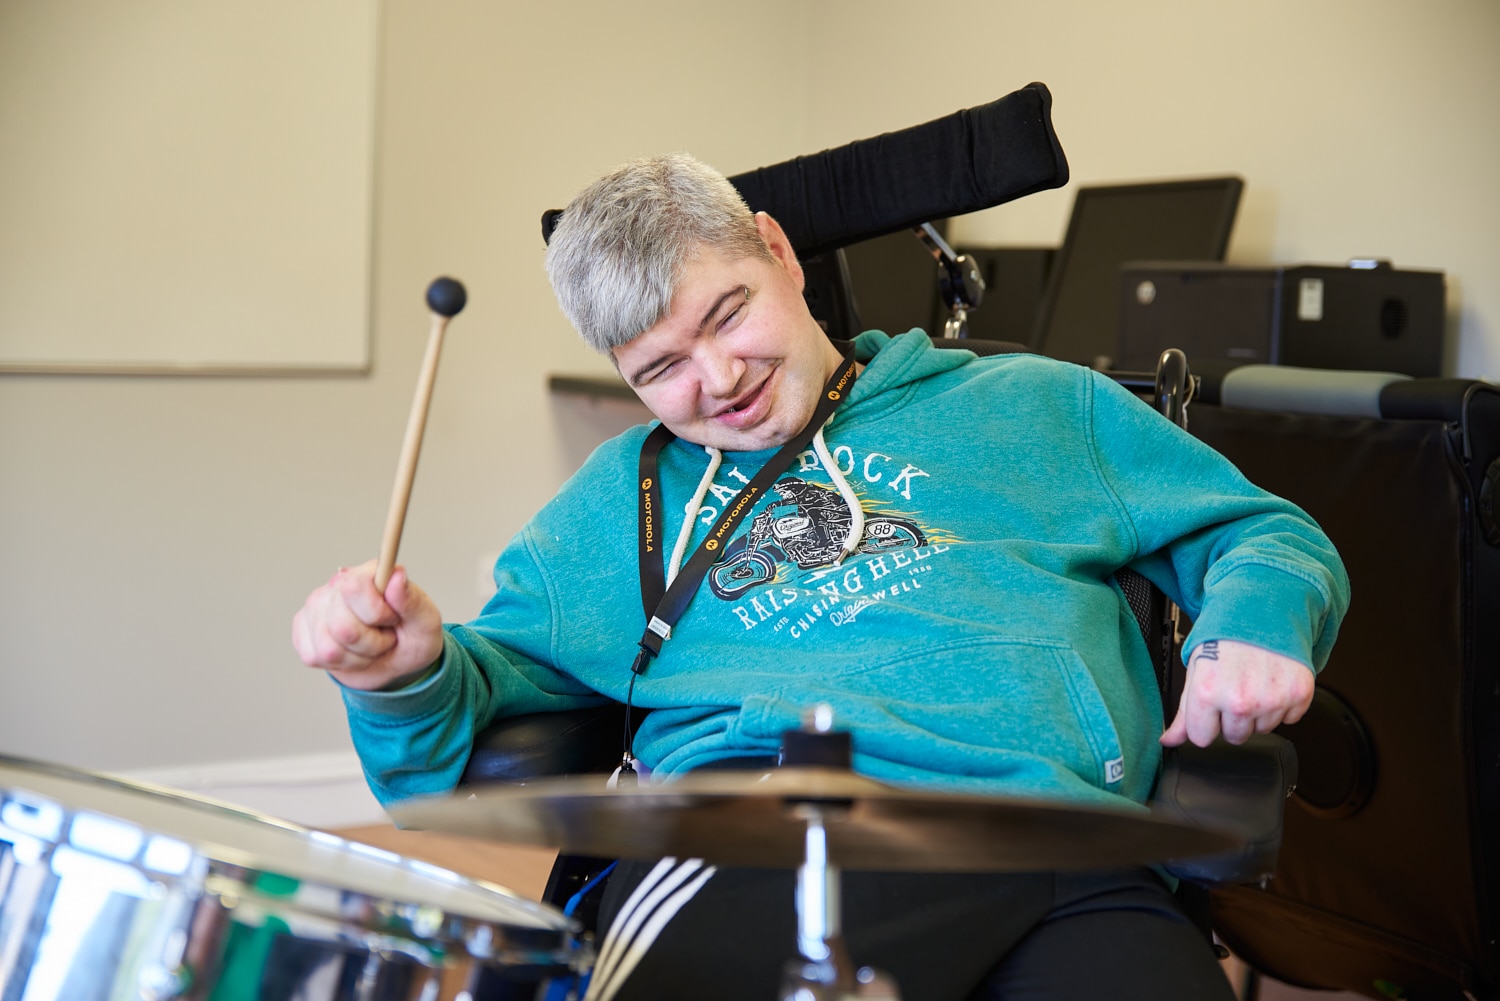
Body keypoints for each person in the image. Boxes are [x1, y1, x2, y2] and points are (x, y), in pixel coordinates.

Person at [293, 153, 1348, 1000]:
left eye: (725, 316)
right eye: (659, 368)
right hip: (774, 842)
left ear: (780, 252)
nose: (717, 381)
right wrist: (401, 673)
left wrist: (1250, 623)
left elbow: (1262, 531)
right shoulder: (620, 504)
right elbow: (455, 750)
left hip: (1067, 835)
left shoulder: (1033, 406)